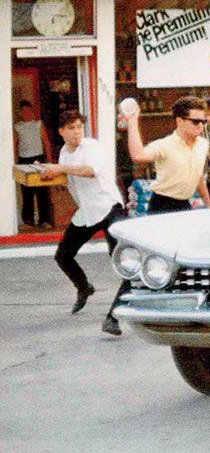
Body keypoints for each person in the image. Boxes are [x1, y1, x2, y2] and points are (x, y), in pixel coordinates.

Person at [39, 111, 126, 322]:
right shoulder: (64, 153)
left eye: (79, 127)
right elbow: (66, 174)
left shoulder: (92, 147)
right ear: (61, 132)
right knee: (63, 256)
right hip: (87, 211)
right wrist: (46, 170)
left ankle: (114, 316)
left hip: (109, 208)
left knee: (124, 263)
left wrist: (60, 167)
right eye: (71, 128)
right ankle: (84, 287)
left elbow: (90, 170)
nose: (77, 132)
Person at [123, 95, 210, 214]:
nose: (200, 126)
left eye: (204, 122)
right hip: (162, 205)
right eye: (195, 121)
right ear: (179, 121)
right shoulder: (164, 145)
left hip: (184, 204)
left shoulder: (203, 144)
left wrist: (208, 202)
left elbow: (198, 175)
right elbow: (138, 156)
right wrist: (131, 121)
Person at [14, 100, 53, 229]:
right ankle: (28, 220)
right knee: (27, 192)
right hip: (23, 160)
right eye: (24, 111)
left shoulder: (38, 124)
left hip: (39, 159)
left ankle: (45, 220)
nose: (27, 113)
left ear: (32, 111)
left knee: (42, 191)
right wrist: (15, 163)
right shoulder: (17, 127)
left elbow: (46, 142)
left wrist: (50, 161)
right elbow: (15, 145)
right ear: (20, 113)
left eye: (29, 110)